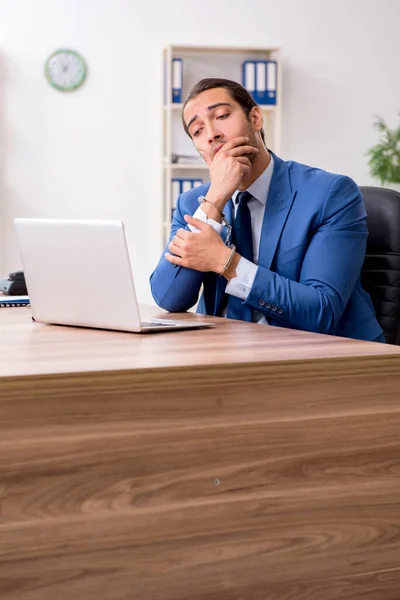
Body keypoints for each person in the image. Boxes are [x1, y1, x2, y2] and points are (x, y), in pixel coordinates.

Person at [150, 78, 384, 342]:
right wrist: (215, 200)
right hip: (222, 354)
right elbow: (168, 296)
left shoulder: (331, 194)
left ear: (256, 118)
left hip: (320, 356)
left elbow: (322, 310)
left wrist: (225, 262)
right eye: (197, 131)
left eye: (222, 116)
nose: (212, 133)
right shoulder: (193, 203)